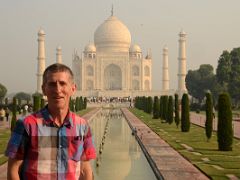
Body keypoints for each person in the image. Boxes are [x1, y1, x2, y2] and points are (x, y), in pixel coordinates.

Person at [5, 63, 96, 180]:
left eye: (62, 83)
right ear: (44, 89)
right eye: (52, 84)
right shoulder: (27, 125)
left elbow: (85, 167)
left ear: (73, 89)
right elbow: (13, 169)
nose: (57, 90)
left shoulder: (82, 126)